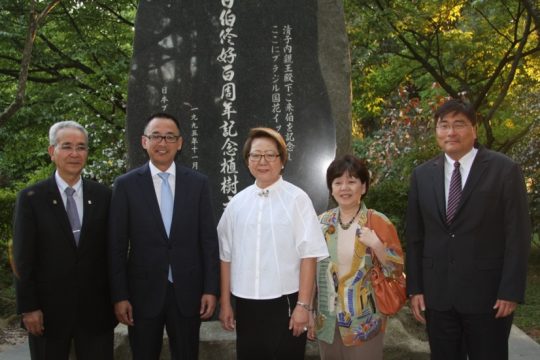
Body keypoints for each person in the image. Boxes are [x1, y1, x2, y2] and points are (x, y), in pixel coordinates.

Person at [405, 99, 532, 360]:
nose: (451, 132)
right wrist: (415, 288)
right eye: (444, 125)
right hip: (437, 296)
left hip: (488, 296)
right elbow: (415, 237)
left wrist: (510, 291)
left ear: (474, 129)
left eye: (459, 124)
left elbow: (517, 236)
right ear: (436, 131)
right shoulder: (422, 174)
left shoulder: (504, 170)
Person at [108, 112, 220, 359]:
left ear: (180, 143)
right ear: (144, 141)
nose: (163, 143)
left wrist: (211, 289)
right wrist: (120, 295)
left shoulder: (198, 183)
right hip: (142, 294)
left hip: (188, 292)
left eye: (170, 137)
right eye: (156, 136)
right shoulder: (125, 185)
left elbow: (209, 242)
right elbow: (116, 246)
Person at [217, 127, 329, 359]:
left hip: (285, 302)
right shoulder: (237, 203)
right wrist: (226, 303)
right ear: (247, 161)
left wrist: (304, 305)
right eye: (255, 155)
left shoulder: (297, 199)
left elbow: (309, 254)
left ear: (282, 160)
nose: (262, 161)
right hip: (246, 303)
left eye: (270, 155)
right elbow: (225, 255)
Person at [12, 121, 116, 360]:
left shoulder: (104, 196)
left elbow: (113, 252)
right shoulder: (31, 198)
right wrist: (29, 307)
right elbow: (22, 258)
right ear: (52, 152)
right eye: (67, 146)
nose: (74, 153)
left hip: (95, 311)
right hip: (48, 313)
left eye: (81, 147)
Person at [308, 154, 405, 359]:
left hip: (365, 322)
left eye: (351, 182)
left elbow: (396, 270)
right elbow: (310, 272)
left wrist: (377, 245)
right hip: (328, 319)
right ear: (331, 188)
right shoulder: (321, 224)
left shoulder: (377, 222)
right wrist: (308, 309)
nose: (345, 188)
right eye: (338, 182)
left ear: (363, 187)